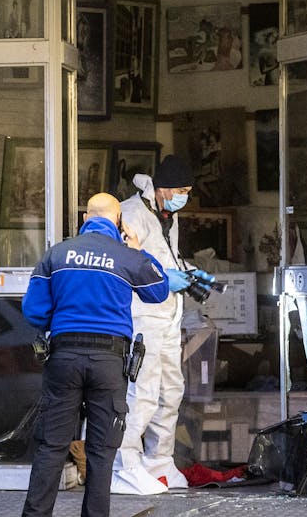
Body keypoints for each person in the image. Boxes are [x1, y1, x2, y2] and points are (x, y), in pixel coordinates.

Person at [21, 193, 170, 517]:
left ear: (84, 219)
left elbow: (33, 311)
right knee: (101, 452)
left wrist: (63, 320)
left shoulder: (56, 254)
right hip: (109, 362)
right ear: (118, 222)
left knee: (52, 447)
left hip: (64, 357)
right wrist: (135, 248)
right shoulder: (125, 256)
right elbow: (159, 290)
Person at [111, 155, 216, 495]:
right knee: (141, 393)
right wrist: (163, 277)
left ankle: (159, 462)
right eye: (181, 190)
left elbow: (164, 257)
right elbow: (125, 264)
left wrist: (187, 272)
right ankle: (124, 465)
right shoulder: (130, 214)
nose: (184, 196)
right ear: (164, 187)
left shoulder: (168, 216)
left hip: (167, 317)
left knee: (171, 392)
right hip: (142, 316)